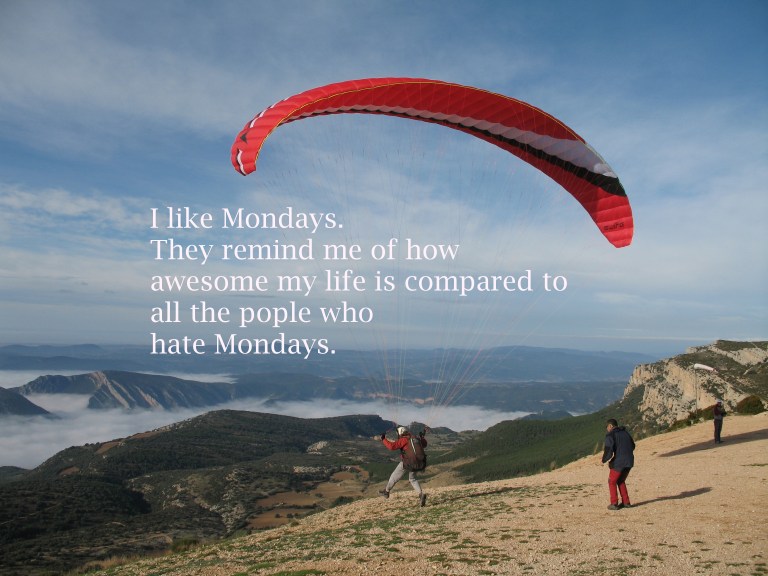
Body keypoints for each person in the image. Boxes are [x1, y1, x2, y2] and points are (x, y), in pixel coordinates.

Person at [378, 425, 428, 507]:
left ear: (400, 433)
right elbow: (424, 444)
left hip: (408, 462)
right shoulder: (416, 438)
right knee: (412, 479)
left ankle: (386, 492)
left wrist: (383, 439)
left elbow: (391, 446)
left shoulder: (403, 439)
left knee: (394, 476)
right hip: (418, 462)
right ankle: (421, 494)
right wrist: (422, 437)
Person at [601, 418, 635, 510]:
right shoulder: (625, 433)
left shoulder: (610, 435)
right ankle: (626, 502)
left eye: (607, 427)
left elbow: (609, 450)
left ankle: (614, 503)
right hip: (630, 461)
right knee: (620, 480)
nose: (607, 429)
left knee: (611, 481)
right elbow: (633, 446)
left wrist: (604, 460)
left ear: (610, 426)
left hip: (619, 462)